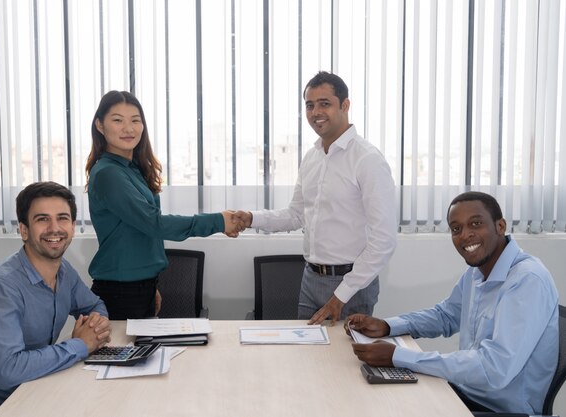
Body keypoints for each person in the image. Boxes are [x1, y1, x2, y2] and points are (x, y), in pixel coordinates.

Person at [345, 191, 559, 415]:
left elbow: (494, 368)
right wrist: (387, 326)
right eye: (456, 229)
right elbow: (445, 316)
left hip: (501, 411)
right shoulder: (477, 272)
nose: (465, 235)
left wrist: (399, 357)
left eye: (475, 223)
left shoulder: (527, 280)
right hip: (466, 393)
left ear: (500, 226)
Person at [234, 71, 397, 325]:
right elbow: (296, 215)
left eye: (324, 103)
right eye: (310, 105)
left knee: (344, 363)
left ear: (345, 105)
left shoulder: (367, 160)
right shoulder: (312, 158)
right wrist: (251, 218)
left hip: (351, 284)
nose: (315, 112)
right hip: (310, 279)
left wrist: (341, 295)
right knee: (306, 359)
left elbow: (384, 241)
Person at [85, 90, 241, 320]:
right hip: (120, 293)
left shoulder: (132, 170)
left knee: (148, 355)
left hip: (140, 287)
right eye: (117, 120)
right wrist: (218, 221)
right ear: (100, 125)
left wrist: (150, 285)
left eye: (135, 120)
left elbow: (143, 234)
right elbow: (153, 223)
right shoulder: (109, 173)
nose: (128, 128)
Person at [0, 182, 111, 410]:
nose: (54, 228)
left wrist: (95, 327)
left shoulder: (63, 271)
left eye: (62, 218)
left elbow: (95, 306)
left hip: (40, 388)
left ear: (72, 226)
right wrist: (80, 344)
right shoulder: (0, 287)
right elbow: (8, 371)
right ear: (24, 230)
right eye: (42, 219)